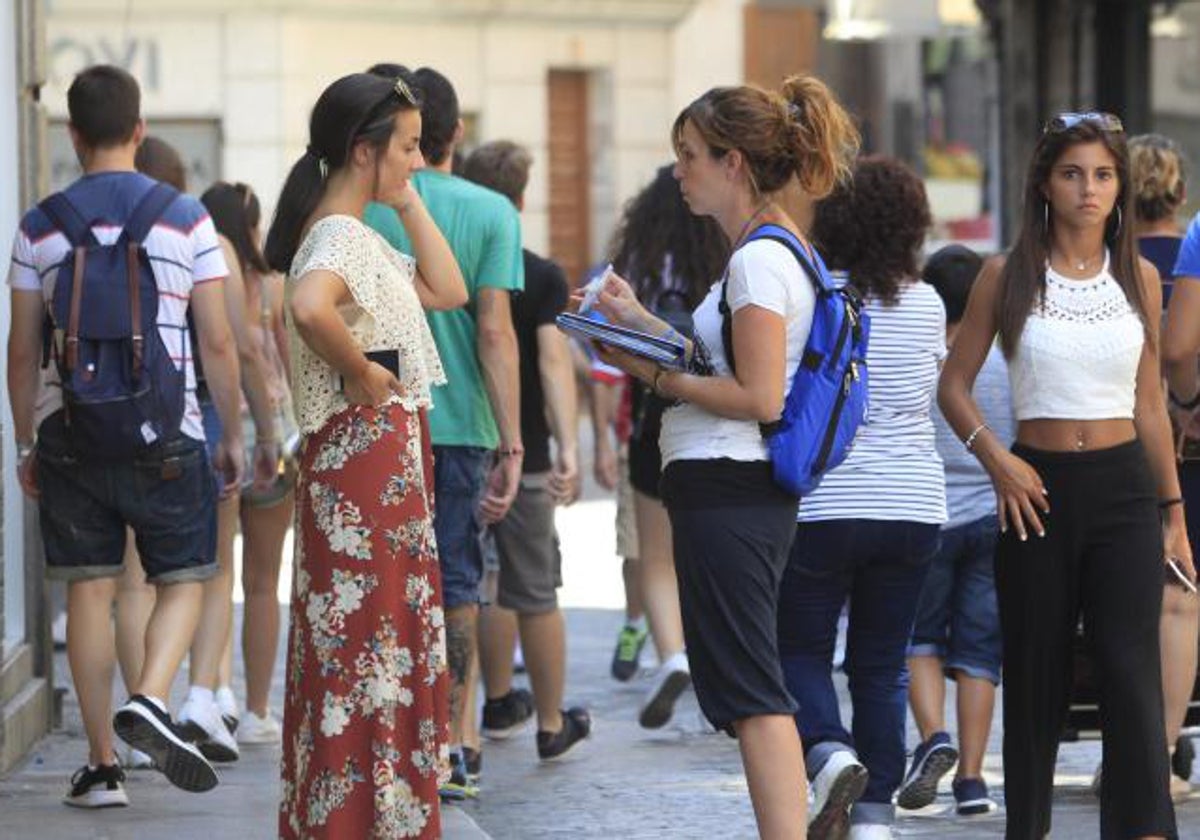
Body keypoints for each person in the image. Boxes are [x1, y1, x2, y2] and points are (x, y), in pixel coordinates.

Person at [593, 74, 859, 839]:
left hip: (732, 486)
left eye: (690, 155)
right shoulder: (764, 252)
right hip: (731, 488)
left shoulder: (757, 262)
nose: (680, 172)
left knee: (752, 689)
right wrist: (636, 322)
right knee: (745, 682)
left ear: (733, 162)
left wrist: (655, 373)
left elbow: (759, 396)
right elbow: (729, 368)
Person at [940, 111, 1191, 840]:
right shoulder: (1004, 274)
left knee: (1128, 672)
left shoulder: (1141, 277)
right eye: (1073, 174)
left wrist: (1173, 515)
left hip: (1123, 491)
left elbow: (1149, 404)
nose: (1089, 189)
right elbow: (952, 386)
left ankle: (1143, 830)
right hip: (1035, 491)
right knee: (1037, 671)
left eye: (1104, 175)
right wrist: (997, 457)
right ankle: (1030, 830)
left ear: (1120, 187)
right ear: (1045, 185)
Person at [6, 64, 243, 804]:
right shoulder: (184, 217)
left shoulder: (39, 225)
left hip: (69, 432)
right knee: (186, 577)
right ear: (140, 130)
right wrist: (232, 432)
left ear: (71, 135)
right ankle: (149, 695)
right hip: (168, 429)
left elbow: (19, 349)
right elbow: (218, 342)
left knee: (89, 588)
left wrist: (26, 443)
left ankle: (103, 766)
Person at [264, 71, 466, 838]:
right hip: (366, 470)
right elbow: (311, 306)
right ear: (362, 149)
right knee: (370, 650)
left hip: (363, 471)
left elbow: (446, 288)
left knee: (357, 651)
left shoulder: (353, 232)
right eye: (408, 148)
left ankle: (352, 816)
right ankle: (369, 820)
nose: (419, 161)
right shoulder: (341, 236)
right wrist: (358, 368)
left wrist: (406, 196)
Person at [363, 64, 526, 798]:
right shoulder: (492, 210)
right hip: (460, 425)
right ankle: (456, 743)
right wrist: (513, 440)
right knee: (457, 582)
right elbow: (494, 331)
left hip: (376, 418)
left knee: (382, 582)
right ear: (457, 132)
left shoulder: (360, 207)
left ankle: (389, 736)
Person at [776, 156, 945, 840]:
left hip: (826, 502)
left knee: (800, 651)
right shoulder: (928, 301)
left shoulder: (816, 295)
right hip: (913, 504)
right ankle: (873, 817)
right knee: (882, 663)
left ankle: (827, 749)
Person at [461, 139, 593, 761]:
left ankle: (489, 706)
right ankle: (547, 720)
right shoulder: (539, 274)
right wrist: (569, 444)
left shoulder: (451, 266)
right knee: (535, 591)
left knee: (478, 584)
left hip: (463, 442)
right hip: (527, 452)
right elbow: (551, 362)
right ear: (518, 199)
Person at [604, 165, 731, 725]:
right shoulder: (731, 253)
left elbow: (606, 349)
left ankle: (671, 654)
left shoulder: (639, 264)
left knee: (656, 556)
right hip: (721, 413)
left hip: (653, 415)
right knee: (710, 552)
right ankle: (716, 660)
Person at [899, 244, 1010, 818]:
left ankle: (933, 737)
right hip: (994, 514)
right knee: (979, 651)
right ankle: (972, 778)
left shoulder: (924, 357)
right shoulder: (1005, 359)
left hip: (929, 515)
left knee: (918, 636)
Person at [201, 180, 297, 747]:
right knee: (263, 581)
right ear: (252, 227)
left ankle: (212, 693)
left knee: (212, 574)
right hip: (272, 434)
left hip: (215, 432)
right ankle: (258, 711)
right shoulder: (270, 286)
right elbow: (284, 361)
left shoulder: (201, 278)